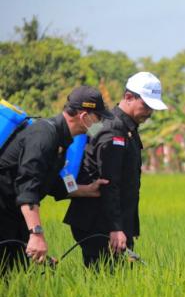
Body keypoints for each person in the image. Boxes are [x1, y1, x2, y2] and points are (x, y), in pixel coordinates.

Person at [0, 86, 113, 273]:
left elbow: (51, 184)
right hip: (5, 212)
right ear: (84, 116)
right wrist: (37, 235)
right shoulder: (44, 136)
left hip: (13, 217)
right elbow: (28, 188)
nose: (100, 123)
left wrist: (87, 190)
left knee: (15, 272)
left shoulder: (61, 140)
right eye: (98, 118)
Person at [64, 72, 168, 267]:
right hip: (98, 223)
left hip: (105, 221)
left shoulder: (119, 125)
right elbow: (109, 182)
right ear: (128, 97)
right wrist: (115, 229)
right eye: (146, 105)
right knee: (106, 280)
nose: (149, 112)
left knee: (113, 280)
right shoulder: (113, 130)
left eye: (152, 107)